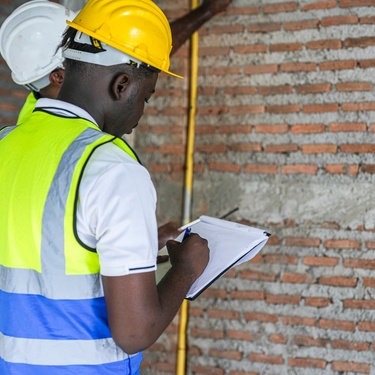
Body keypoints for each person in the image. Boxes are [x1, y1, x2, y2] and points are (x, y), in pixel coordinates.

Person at [0, 0, 210, 373]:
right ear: (122, 84)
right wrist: (187, 269)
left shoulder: (6, 144)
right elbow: (134, 330)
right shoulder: (112, 168)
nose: (139, 115)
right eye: (146, 98)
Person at [0, 0, 232, 125]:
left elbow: (138, 61)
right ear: (59, 75)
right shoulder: (64, 131)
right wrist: (207, 11)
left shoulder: (34, 115)